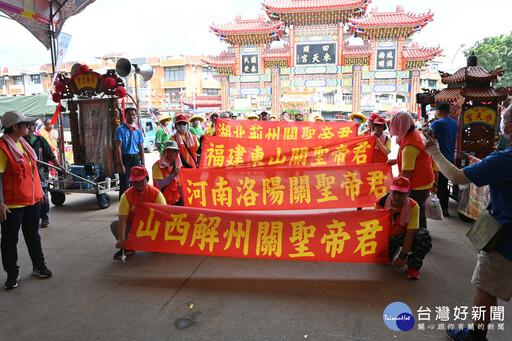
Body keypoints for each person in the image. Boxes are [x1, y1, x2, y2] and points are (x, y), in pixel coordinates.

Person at [425, 104, 512, 341]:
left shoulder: (504, 159)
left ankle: (476, 335)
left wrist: (434, 152)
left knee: (487, 287)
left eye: (504, 119)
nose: (502, 124)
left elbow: (457, 176)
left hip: (505, 240)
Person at [0, 111, 52, 290]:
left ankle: (39, 266)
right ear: (15, 127)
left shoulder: (23, 144)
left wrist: (39, 192)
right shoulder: (2, 148)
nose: (29, 127)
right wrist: (0, 202)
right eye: (25, 124)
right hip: (12, 204)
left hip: (32, 200)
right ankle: (12, 274)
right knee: (9, 240)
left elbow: (32, 171)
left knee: (33, 236)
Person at [375, 176, 432, 280]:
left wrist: (403, 256)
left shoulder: (413, 206)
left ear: (408, 193)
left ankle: (413, 267)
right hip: (388, 236)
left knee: (424, 235)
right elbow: (377, 230)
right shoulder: (379, 203)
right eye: (394, 192)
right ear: (390, 190)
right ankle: (392, 250)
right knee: (382, 260)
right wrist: (387, 216)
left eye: (401, 193)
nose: (397, 196)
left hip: (404, 235)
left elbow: (411, 233)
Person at [389, 111, 434, 230]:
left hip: (417, 183)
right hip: (424, 178)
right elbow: (412, 159)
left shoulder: (410, 145)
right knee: (420, 209)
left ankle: (420, 238)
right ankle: (421, 233)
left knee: (416, 210)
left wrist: (399, 189)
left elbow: (407, 172)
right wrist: (395, 161)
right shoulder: (415, 133)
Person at [110, 166, 166, 259]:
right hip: (134, 226)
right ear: (131, 181)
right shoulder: (126, 196)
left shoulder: (156, 194)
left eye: (141, 180)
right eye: (135, 181)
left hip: (153, 228)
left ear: (147, 180)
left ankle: (157, 243)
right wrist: (121, 239)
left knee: (158, 250)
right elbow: (122, 220)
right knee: (115, 224)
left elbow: (164, 217)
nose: (138, 183)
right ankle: (128, 248)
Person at [23, 121, 65, 228]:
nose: (27, 130)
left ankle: (45, 216)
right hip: (27, 174)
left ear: (33, 128)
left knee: (44, 195)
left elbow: (50, 155)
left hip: (41, 173)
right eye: (26, 127)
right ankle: (32, 218)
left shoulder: (40, 140)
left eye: (29, 127)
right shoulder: (22, 142)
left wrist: (58, 166)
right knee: (31, 195)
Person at [430, 102, 458, 216]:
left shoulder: (437, 123)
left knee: (437, 183)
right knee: (444, 183)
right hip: (450, 157)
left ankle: (440, 208)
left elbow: (429, 138)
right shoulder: (455, 123)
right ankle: (444, 207)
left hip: (439, 158)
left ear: (439, 111)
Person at [114, 107, 145, 199]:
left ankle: (135, 205)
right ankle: (123, 207)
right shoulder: (120, 129)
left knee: (136, 183)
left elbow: (141, 147)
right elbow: (118, 147)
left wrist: (142, 162)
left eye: (134, 115)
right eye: (129, 115)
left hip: (135, 159)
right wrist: (120, 164)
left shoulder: (138, 130)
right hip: (125, 159)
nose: (132, 117)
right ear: (125, 116)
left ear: (136, 116)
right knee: (124, 184)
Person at [152, 141, 183, 205]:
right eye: (169, 151)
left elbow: (179, 185)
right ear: (165, 153)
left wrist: (183, 200)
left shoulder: (177, 164)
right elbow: (160, 184)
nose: (172, 153)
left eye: (174, 151)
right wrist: (173, 175)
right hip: (163, 202)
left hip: (176, 200)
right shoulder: (157, 166)